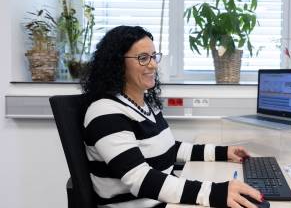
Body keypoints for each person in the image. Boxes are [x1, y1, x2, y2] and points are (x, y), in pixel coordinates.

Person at [80, 26, 263, 208]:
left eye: (153, 56)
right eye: (143, 58)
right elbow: (139, 178)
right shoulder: (105, 112)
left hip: (163, 202)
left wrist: (223, 153)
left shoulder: (144, 105)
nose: (153, 64)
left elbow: (169, 149)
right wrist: (215, 192)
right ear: (117, 63)